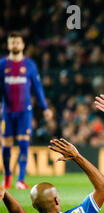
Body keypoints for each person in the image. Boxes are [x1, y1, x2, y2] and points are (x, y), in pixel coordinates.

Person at [0, 31, 53, 190]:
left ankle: (20, 179)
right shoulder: (2, 65)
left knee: (24, 143)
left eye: (17, 42)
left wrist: (45, 107)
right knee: (6, 144)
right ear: (8, 45)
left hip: (25, 111)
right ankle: (8, 176)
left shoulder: (29, 65)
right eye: (12, 42)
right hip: (7, 112)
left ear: (22, 45)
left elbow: (37, 87)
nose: (15, 45)